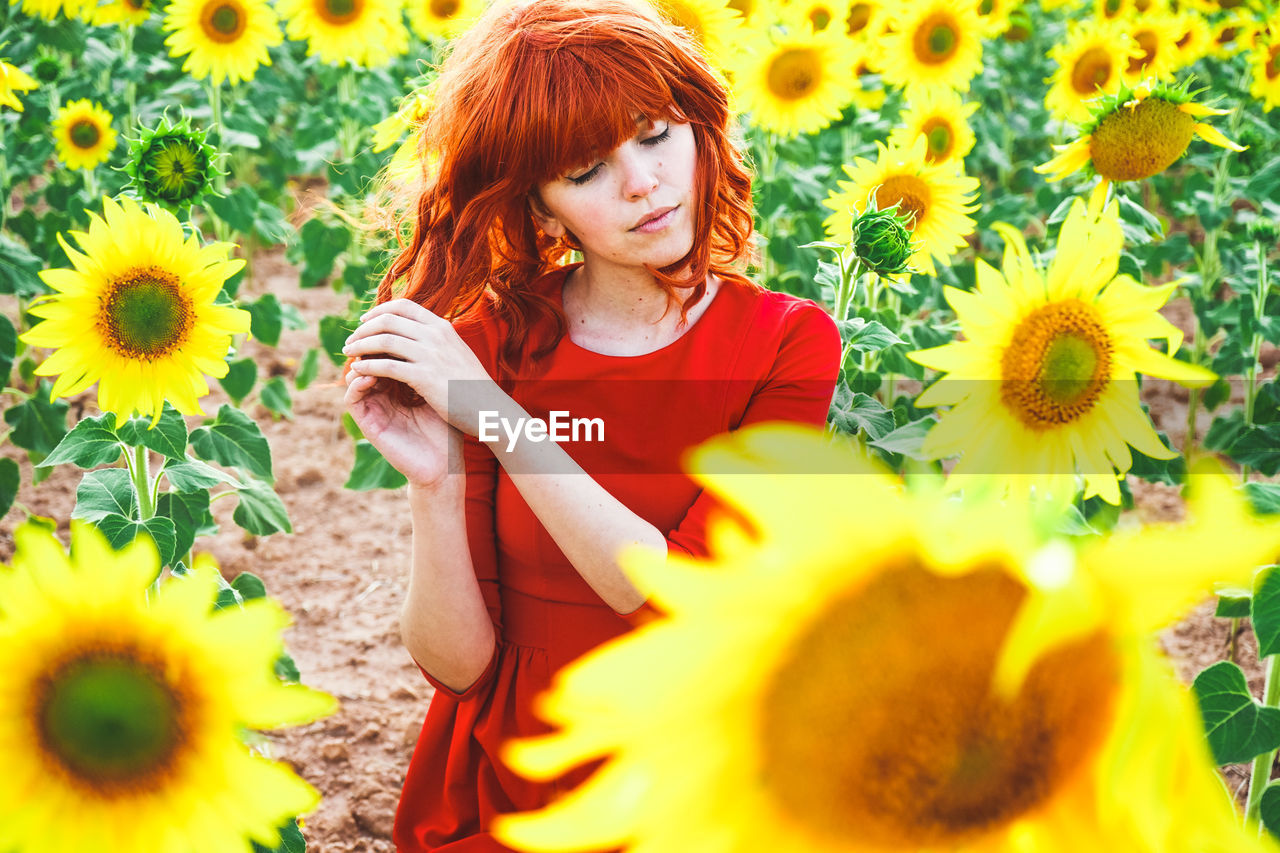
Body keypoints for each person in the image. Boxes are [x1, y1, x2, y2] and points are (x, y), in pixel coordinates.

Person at [341, 0, 841, 849]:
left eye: (656, 135)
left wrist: (496, 419)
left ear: (701, 131)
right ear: (540, 207)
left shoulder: (786, 345)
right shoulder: (493, 344)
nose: (642, 182)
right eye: (585, 170)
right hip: (516, 777)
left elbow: (667, 593)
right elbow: (458, 665)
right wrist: (435, 480)